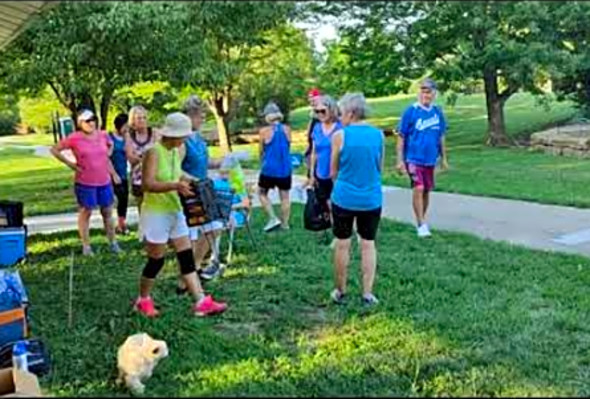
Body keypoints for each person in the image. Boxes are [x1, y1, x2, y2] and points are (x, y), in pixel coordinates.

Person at [135, 112, 227, 318]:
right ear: (173, 135)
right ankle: (143, 299)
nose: (185, 139)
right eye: (183, 136)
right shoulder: (153, 152)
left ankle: (201, 302)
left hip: (175, 210)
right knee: (156, 260)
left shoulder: (176, 151)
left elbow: (178, 174)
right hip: (156, 213)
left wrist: (196, 181)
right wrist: (175, 186)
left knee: (186, 258)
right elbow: (147, 184)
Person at [330, 93, 384, 307]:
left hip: (344, 197)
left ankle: (340, 291)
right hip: (371, 198)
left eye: (341, 113)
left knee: (342, 244)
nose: (339, 117)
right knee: (368, 244)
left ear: (351, 113)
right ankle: (368, 294)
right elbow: (378, 167)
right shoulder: (378, 135)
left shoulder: (339, 136)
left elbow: (333, 171)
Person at [50, 109, 122, 256]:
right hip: (85, 182)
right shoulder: (74, 138)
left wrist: (112, 172)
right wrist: (71, 164)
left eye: (93, 119)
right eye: (87, 121)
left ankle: (113, 243)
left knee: (107, 211)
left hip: (104, 181)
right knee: (86, 212)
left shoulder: (102, 135)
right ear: (80, 123)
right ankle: (86, 246)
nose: (91, 123)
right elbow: (55, 150)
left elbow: (110, 147)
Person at [179, 95, 225, 285]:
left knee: (214, 228)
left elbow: (206, 162)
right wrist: (193, 180)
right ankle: (187, 278)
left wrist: (224, 161)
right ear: (190, 117)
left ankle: (195, 268)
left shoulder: (198, 137)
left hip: (205, 189)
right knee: (194, 235)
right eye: (201, 116)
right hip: (190, 192)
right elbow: (175, 169)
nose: (203, 119)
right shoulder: (182, 140)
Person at [396, 78, 449, 238]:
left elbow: (441, 136)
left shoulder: (437, 112)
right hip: (413, 158)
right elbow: (401, 136)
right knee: (418, 188)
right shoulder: (410, 112)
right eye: (423, 91)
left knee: (426, 190)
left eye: (429, 91)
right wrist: (399, 160)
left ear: (434, 94)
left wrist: (444, 158)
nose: (426, 94)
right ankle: (420, 224)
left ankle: (422, 219)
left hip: (430, 159)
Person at [258, 102, 292, 232]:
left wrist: (262, 162)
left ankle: (273, 218)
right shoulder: (287, 129)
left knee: (261, 193)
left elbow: (261, 151)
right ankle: (285, 224)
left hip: (269, 169)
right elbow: (288, 147)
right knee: (285, 197)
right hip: (285, 169)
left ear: (267, 116)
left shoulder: (264, 131)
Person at [308, 95, 342, 219]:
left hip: (339, 173)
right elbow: (314, 152)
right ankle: (335, 230)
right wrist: (312, 175)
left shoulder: (341, 127)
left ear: (331, 109)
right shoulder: (316, 128)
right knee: (327, 204)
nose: (320, 114)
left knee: (339, 204)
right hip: (321, 173)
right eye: (317, 111)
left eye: (323, 111)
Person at [125, 105, 155, 213]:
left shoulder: (154, 133)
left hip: (155, 177)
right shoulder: (129, 136)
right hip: (138, 178)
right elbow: (131, 157)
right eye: (139, 118)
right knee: (142, 210)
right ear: (133, 120)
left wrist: (143, 157)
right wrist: (146, 157)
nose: (142, 121)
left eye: (144, 118)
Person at [109, 113, 130, 235]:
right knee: (111, 201)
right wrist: (113, 174)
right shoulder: (110, 137)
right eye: (125, 127)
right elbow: (107, 157)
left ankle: (121, 224)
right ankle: (111, 225)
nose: (127, 129)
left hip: (123, 173)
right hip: (111, 173)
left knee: (124, 200)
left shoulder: (127, 138)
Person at [304, 88, 321, 178]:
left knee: (314, 171)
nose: (311, 101)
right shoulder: (313, 113)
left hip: (318, 146)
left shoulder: (320, 112)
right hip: (311, 145)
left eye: (313, 98)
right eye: (309, 99)